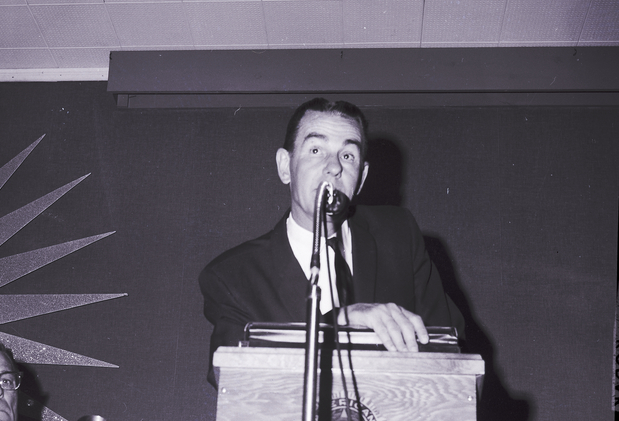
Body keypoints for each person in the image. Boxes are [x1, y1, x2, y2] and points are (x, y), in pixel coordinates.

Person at [199, 98, 464, 383]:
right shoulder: (234, 276)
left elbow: (453, 352)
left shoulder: (399, 236)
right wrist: (337, 322)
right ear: (285, 166)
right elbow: (235, 380)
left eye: (347, 155)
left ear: (361, 177)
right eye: (316, 150)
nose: (334, 167)